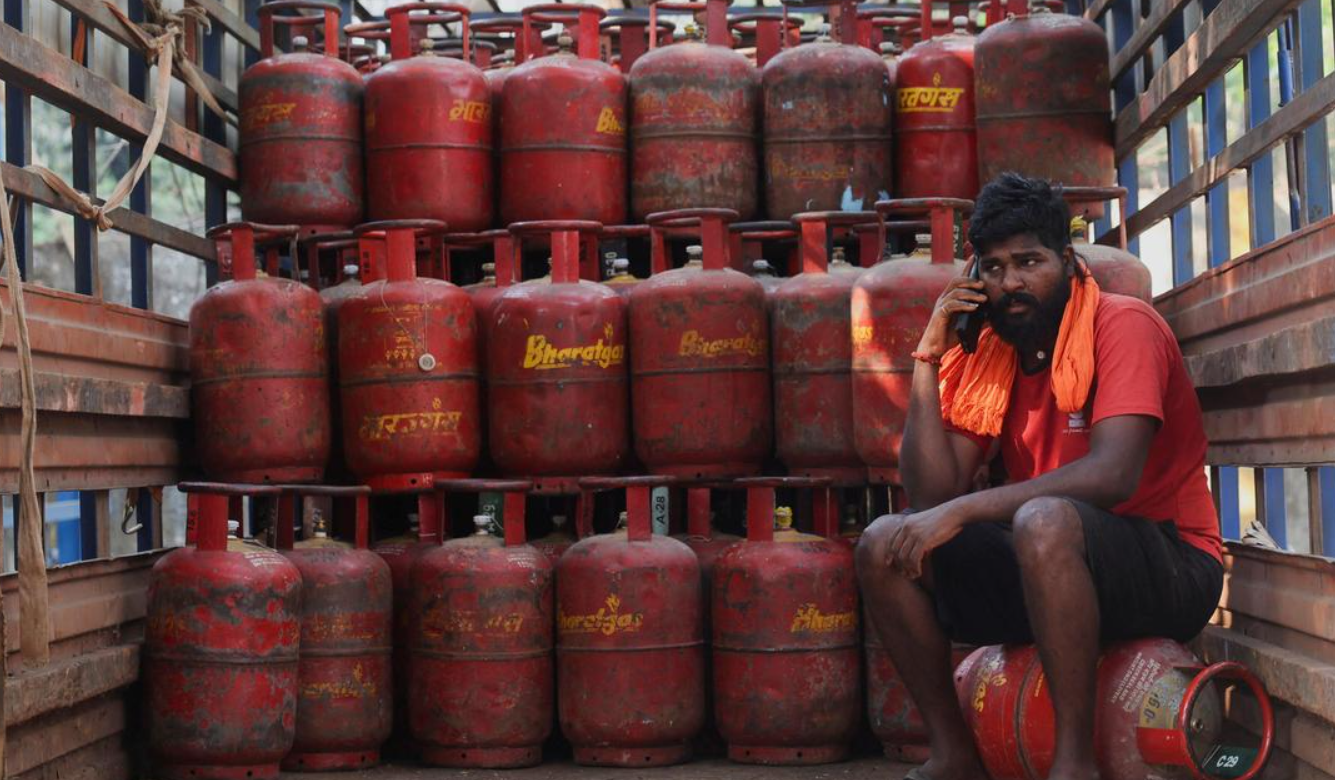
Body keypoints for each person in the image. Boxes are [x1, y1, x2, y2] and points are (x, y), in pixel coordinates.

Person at [855, 173, 1223, 780]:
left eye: (1029, 262)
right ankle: (953, 754)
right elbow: (930, 495)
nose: (1011, 283)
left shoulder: (1122, 325)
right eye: (994, 268)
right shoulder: (991, 354)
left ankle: (1073, 765)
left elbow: (1112, 475)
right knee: (883, 545)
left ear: (1068, 261)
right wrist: (928, 356)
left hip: (1169, 566)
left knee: (1043, 521)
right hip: (1048, 568)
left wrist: (964, 511)